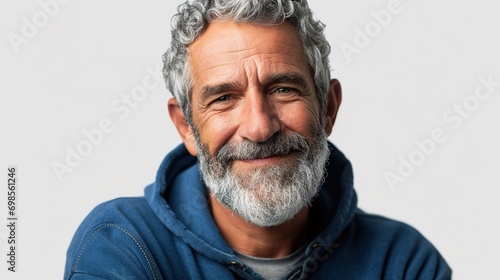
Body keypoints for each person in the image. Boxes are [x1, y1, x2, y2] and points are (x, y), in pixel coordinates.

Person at [64, 0, 452, 279]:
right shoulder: (122, 245)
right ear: (186, 127)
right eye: (224, 98)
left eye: (283, 89)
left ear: (329, 107)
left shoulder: (401, 263)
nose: (260, 127)